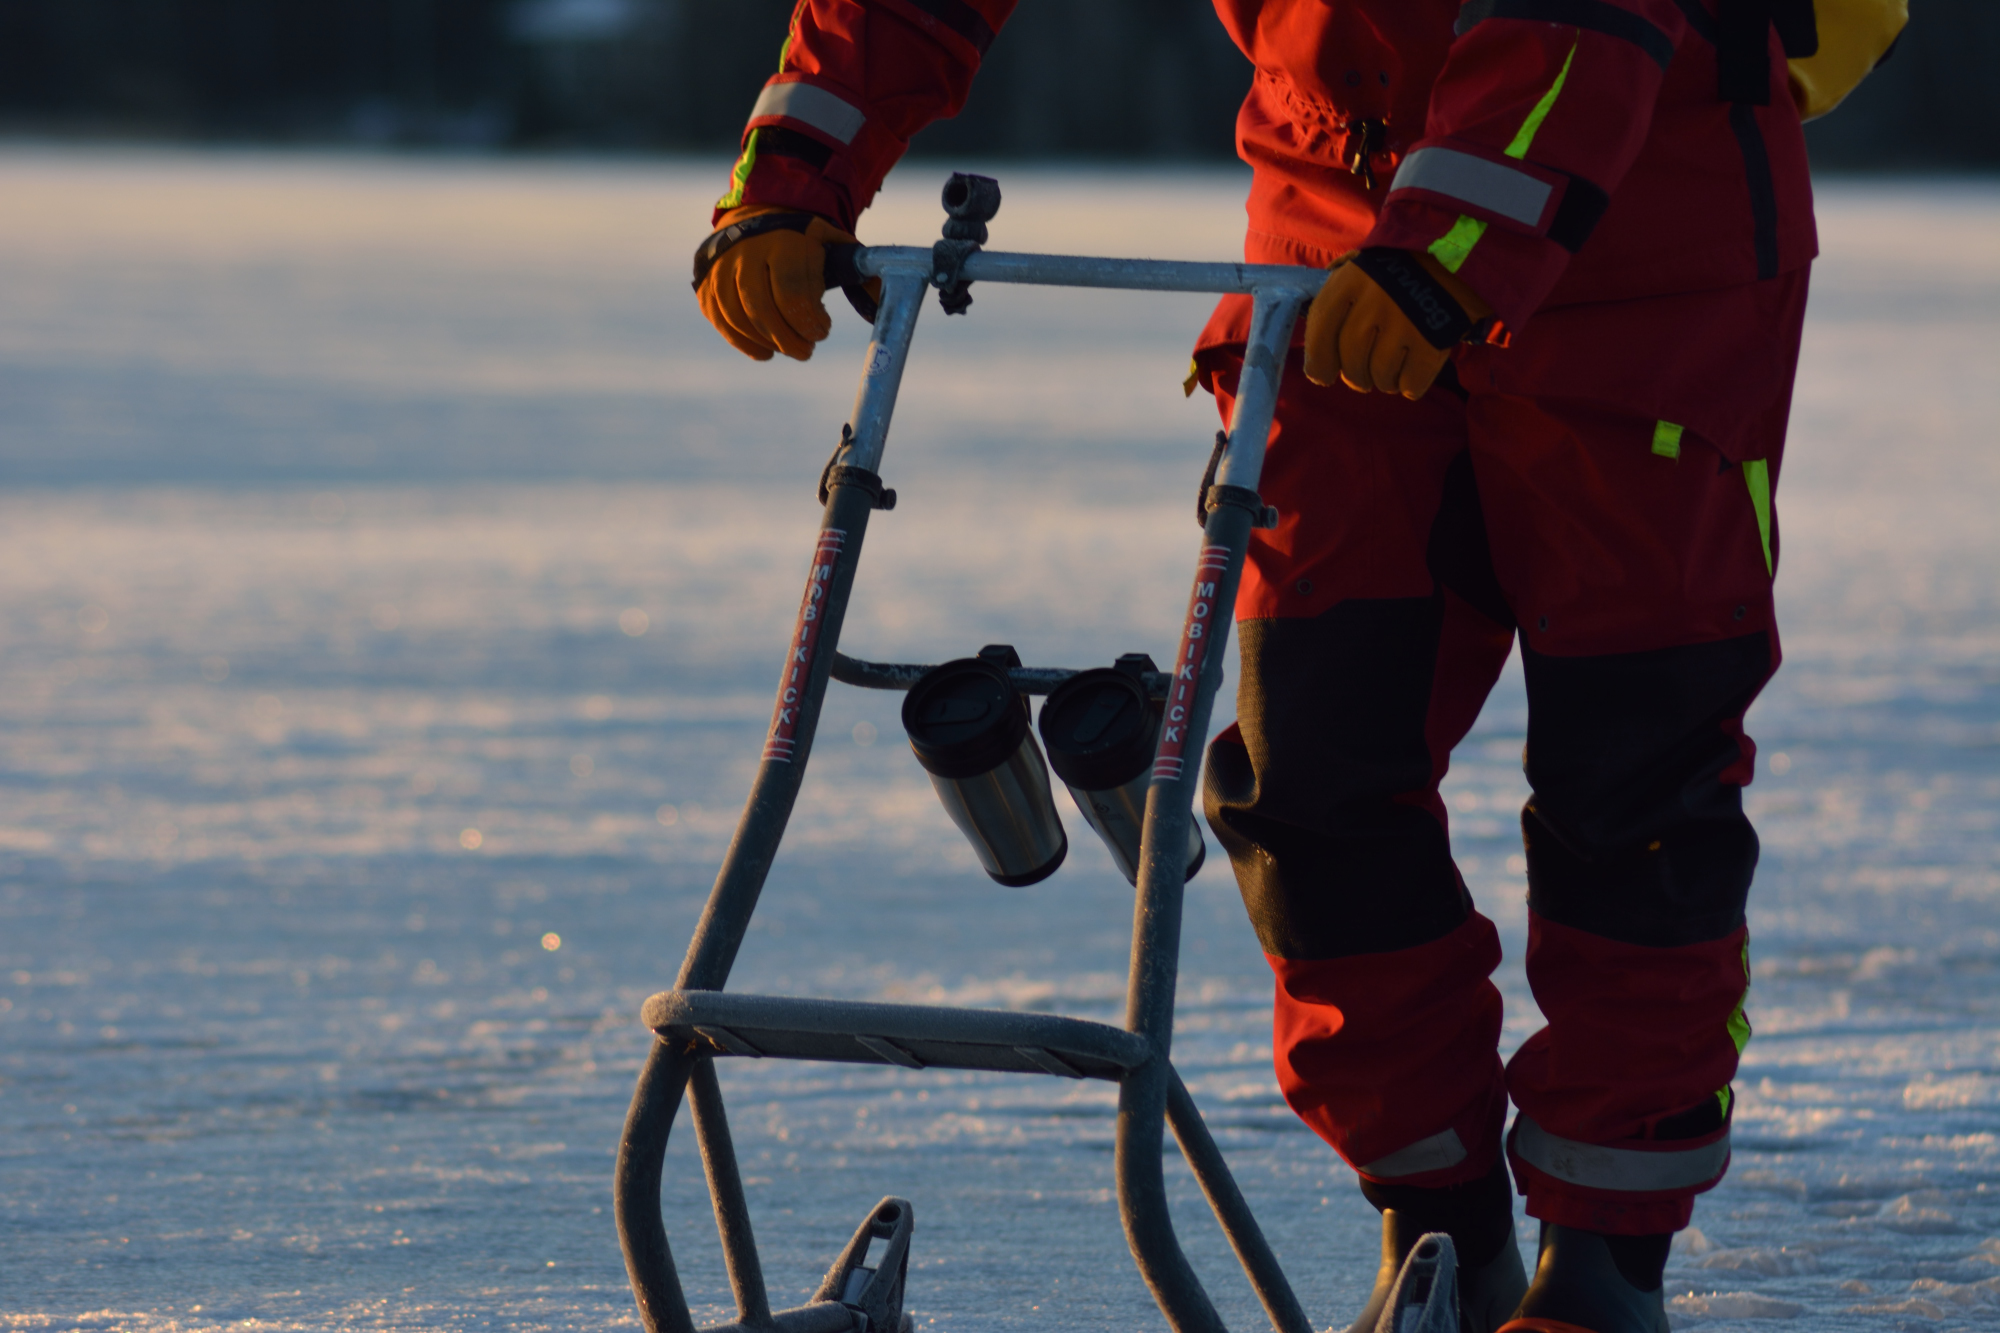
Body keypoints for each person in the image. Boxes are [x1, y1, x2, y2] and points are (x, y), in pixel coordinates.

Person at [690, 2, 1830, 1329]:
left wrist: (1451, 243)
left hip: (1644, 249)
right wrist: (785, 183)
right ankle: (1439, 1246)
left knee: (1637, 785)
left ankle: (1603, 1269)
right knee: (1308, 780)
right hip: (1331, 235)